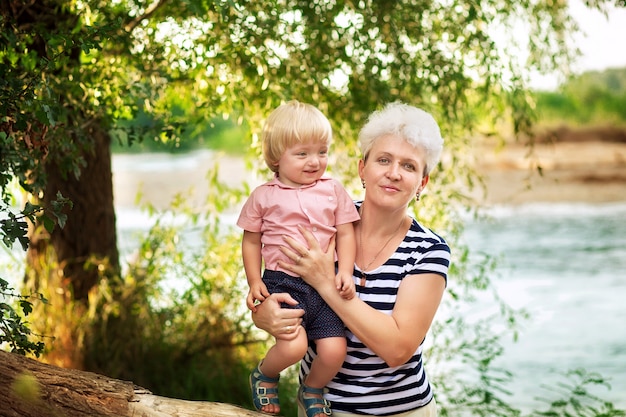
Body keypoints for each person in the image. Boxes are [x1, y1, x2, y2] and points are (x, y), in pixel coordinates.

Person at [252, 102, 451, 417]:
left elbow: (397, 349)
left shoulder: (428, 250)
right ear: (362, 169)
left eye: (409, 166)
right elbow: (276, 279)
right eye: (383, 160)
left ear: (421, 184)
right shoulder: (320, 222)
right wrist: (263, 313)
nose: (394, 173)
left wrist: (324, 283)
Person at [237, 100, 361, 416]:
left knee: (335, 351)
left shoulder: (333, 190)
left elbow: (346, 233)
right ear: (277, 157)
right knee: (294, 346)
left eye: (322, 151)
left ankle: (313, 388)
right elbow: (251, 241)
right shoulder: (264, 195)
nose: (314, 161)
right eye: (302, 153)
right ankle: (265, 374)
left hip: (325, 285)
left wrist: (345, 270)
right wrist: (254, 282)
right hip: (283, 284)